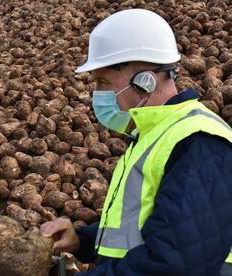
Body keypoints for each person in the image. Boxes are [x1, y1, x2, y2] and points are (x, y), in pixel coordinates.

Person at [41, 9, 232, 276]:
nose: (97, 95)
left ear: (145, 81)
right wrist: (82, 240)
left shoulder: (198, 139)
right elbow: (143, 226)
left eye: (104, 82)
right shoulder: (153, 134)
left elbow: (173, 263)